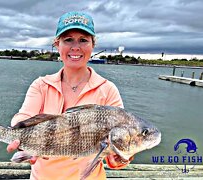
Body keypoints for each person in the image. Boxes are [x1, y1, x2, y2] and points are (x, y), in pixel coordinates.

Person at [7, 11, 133, 180]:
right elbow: (25, 116)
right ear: (57, 44)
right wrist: (17, 134)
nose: (75, 47)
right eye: (68, 40)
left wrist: (121, 157)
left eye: (83, 40)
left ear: (92, 45)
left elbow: (113, 159)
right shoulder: (41, 85)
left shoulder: (108, 90)